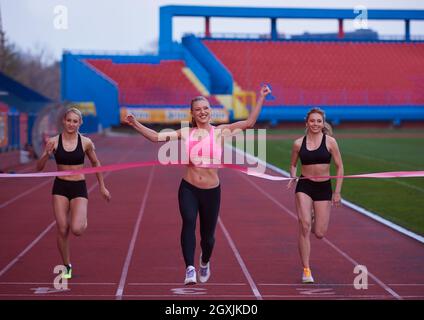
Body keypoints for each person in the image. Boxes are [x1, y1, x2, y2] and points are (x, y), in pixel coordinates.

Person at [126, 85, 271, 285]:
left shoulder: (221, 132)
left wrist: (261, 97)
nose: (202, 112)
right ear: (192, 113)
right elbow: (155, 137)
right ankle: (190, 269)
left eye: (205, 108)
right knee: (188, 221)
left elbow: (249, 122)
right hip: (189, 188)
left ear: (210, 110)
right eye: (198, 109)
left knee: (208, 238)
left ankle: (204, 261)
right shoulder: (186, 132)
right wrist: (135, 124)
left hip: (212, 192)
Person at [36, 107, 111, 279]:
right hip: (60, 188)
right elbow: (38, 168)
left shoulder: (85, 142)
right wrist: (46, 155)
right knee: (62, 229)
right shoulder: (53, 142)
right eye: (69, 120)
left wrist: (102, 186)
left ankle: (82, 218)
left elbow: (96, 163)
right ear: (63, 121)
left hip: (78, 187)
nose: (71, 124)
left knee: (76, 229)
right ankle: (67, 265)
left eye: (75, 121)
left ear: (80, 123)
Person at [287, 107, 344, 283]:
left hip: (323, 188)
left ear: (323, 123)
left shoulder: (330, 142)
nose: (315, 124)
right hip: (304, 186)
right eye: (312, 121)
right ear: (307, 123)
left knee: (319, 233)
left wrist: (337, 192)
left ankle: (311, 219)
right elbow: (293, 165)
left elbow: (340, 167)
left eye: (319, 121)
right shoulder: (298, 143)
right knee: (304, 226)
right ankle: (306, 270)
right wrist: (293, 175)